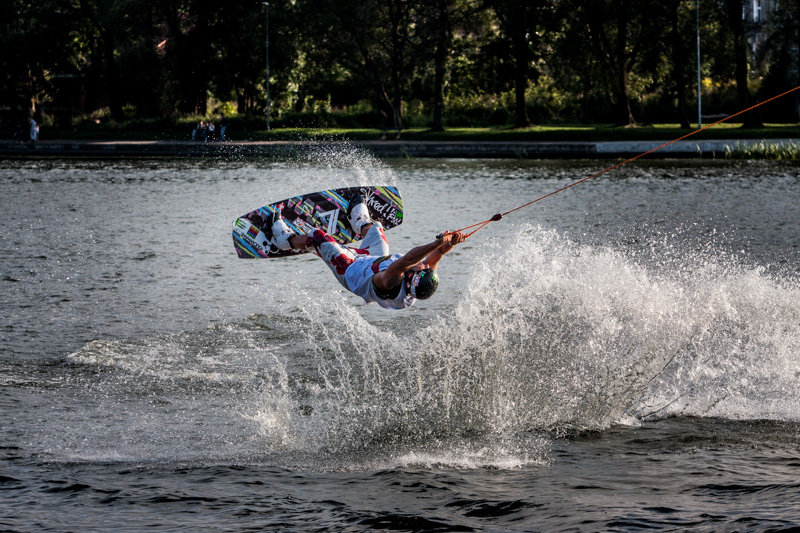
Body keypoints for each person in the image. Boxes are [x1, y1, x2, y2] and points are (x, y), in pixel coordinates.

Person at [264, 195, 466, 309]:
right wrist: (450, 243)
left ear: (410, 277)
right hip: (372, 260)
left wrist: (434, 243)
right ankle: (358, 220)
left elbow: (408, 259)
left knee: (319, 238)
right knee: (377, 231)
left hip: (350, 269)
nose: (425, 265)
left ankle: (283, 240)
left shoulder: (391, 284)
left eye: (422, 267)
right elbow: (435, 257)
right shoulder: (417, 280)